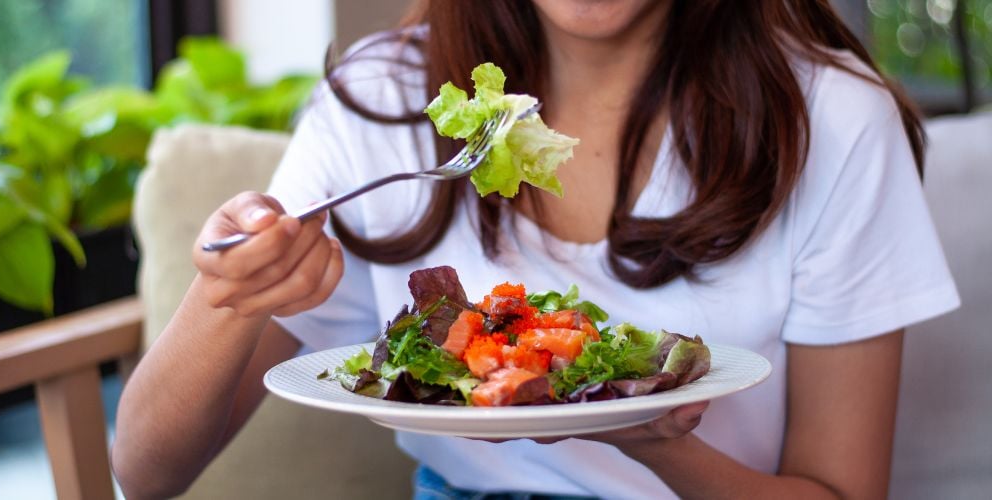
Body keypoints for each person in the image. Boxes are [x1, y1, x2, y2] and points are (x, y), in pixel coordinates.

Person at [112, 1, 960, 498]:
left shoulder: (833, 121)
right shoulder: (380, 103)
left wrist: (657, 441)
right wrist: (229, 291)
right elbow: (144, 471)